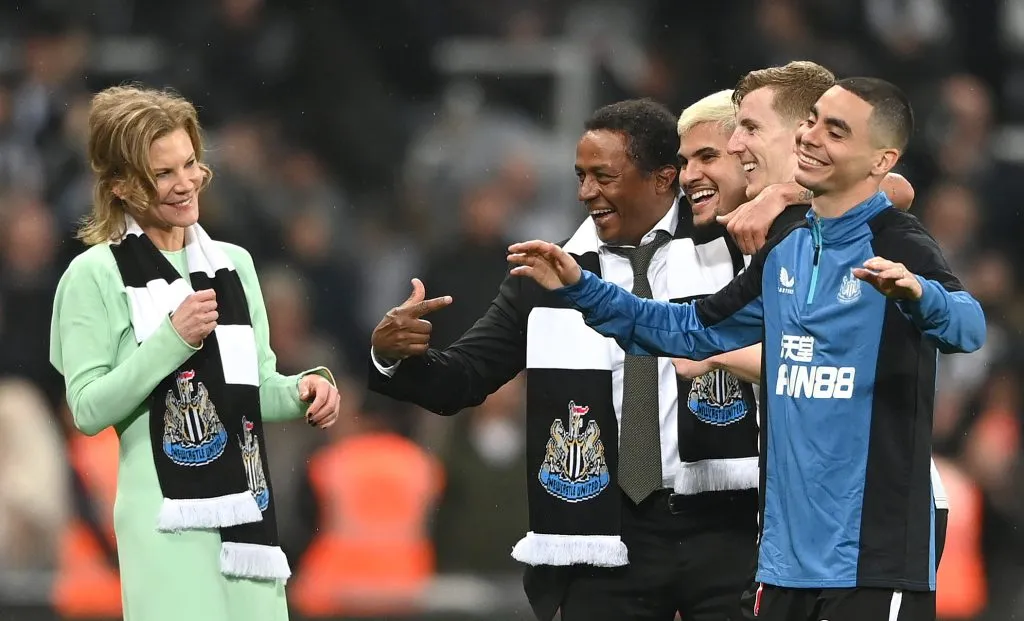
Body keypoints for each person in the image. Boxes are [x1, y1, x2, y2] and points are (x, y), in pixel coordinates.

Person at [508, 77, 986, 621]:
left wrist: (921, 295)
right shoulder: (785, 247)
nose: (810, 138)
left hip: (874, 552)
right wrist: (582, 289)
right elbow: (689, 330)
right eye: (811, 123)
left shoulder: (895, 241)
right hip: (783, 562)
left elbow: (968, 326)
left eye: (834, 130)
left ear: (879, 156)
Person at [369, 98, 771, 621]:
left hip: (728, 525)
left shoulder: (736, 245)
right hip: (605, 535)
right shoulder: (546, 274)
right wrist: (390, 357)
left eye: (604, 176)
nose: (587, 193)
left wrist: (783, 193)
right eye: (581, 176)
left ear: (663, 178)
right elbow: (462, 380)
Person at [48, 85, 342, 621]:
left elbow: (257, 389)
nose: (185, 183)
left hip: (248, 521)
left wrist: (304, 391)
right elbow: (88, 409)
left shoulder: (234, 265)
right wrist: (172, 339)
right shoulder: (91, 276)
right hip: (164, 528)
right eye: (163, 174)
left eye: (190, 164)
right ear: (120, 186)